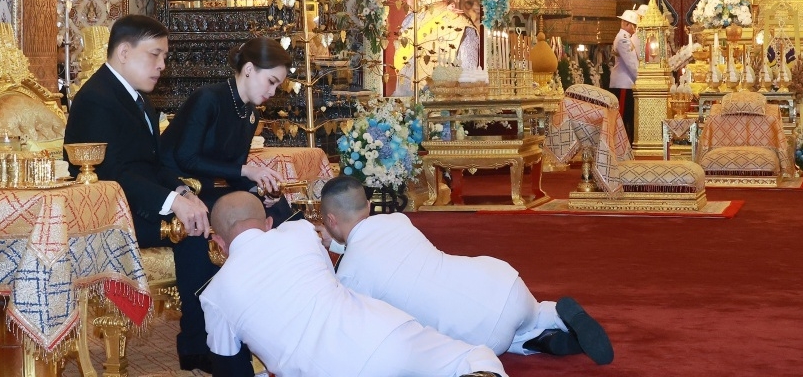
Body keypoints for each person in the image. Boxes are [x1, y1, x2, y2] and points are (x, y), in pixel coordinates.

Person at [63, 15, 234, 375]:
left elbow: (152, 164)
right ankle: (198, 343)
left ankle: (222, 336)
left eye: (165, 57)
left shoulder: (138, 99)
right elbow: (112, 174)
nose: (162, 65)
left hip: (142, 202)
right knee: (193, 231)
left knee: (226, 211)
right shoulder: (96, 99)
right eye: (155, 55)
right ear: (124, 52)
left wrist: (182, 190)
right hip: (113, 215)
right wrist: (175, 204)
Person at [201, 192, 508, 377]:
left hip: (322, 371)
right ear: (268, 224)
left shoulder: (214, 295)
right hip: (384, 337)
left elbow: (229, 369)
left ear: (218, 242)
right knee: (472, 356)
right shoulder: (298, 232)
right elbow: (331, 281)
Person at [318, 175, 613, 365]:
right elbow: (379, 248)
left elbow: (363, 276)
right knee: (527, 312)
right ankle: (556, 316)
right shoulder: (397, 222)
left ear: (331, 220)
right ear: (368, 205)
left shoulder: (349, 276)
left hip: (483, 333)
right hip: (503, 283)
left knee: (480, 341)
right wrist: (341, 244)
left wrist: (333, 249)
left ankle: (539, 339)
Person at [161, 37, 291, 204]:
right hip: (173, 188)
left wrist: (260, 191)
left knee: (277, 206)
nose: (273, 92)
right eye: (271, 82)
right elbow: (187, 158)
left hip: (205, 189)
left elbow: (234, 172)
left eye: (277, 86)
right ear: (249, 69)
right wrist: (246, 170)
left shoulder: (251, 114)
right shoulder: (207, 98)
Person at [393, 0, 480, 96]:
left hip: (440, 112)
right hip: (400, 109)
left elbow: (468, 86)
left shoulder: (463, 28)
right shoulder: (409, 21)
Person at [609, 9, 639, 143]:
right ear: (628, 24)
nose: (635, 29)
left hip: (626, 83)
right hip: (624, 84)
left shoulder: (625, 37)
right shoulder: (623, 39)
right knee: (622, 117)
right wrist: (642, 79)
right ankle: (620, 144)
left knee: (627, 116)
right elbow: (631, 63)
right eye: (635, 25)